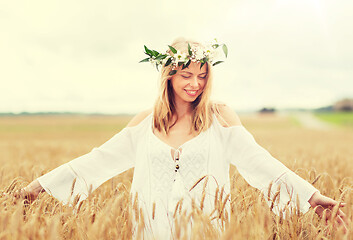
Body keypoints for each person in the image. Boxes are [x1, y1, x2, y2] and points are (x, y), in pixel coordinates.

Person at [2, 37, 350, 238]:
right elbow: (96, 162)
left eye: (202, 75)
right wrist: (39, 187)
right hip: (150, 232)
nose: (195, 84)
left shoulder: (220, 117)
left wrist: (311, 196)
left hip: (206, 232)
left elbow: (259, 163)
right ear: (168, 75)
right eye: (186, 75)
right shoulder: (145, 123)